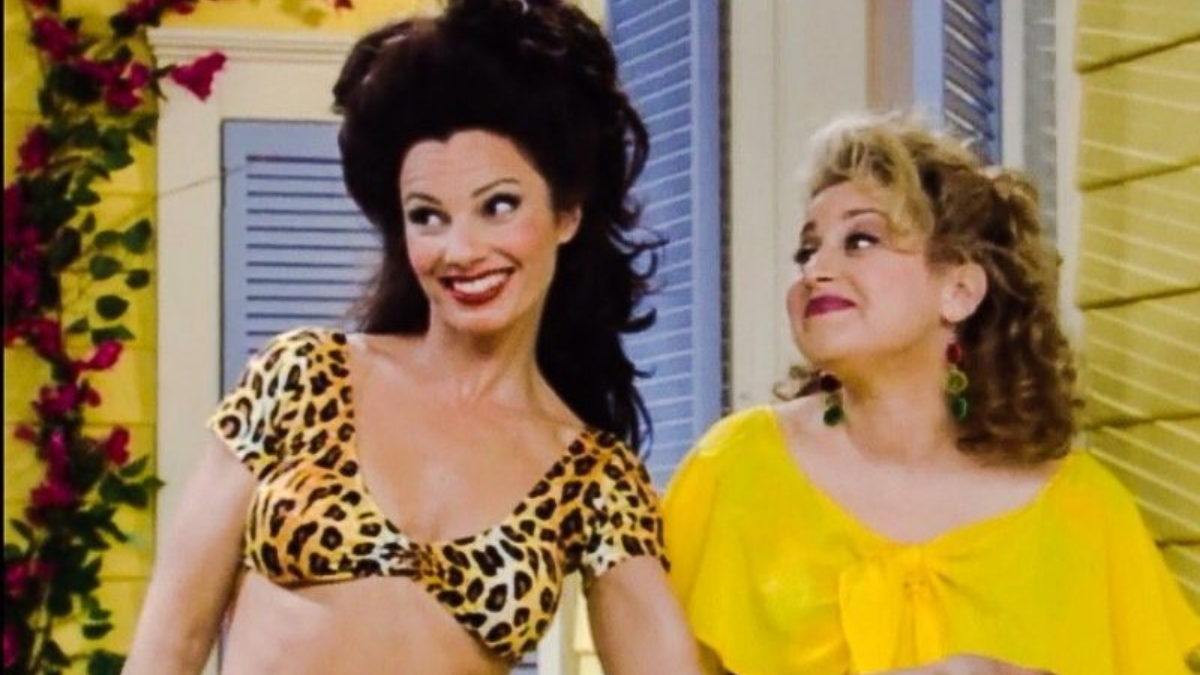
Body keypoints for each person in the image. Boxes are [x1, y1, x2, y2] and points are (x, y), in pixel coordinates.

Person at [122, 1, 702, 673]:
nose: (461, 249)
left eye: (499, 206)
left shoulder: (593, 478)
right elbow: (170, 645)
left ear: (566, 214)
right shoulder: (302, 376)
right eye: (427, 216)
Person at [662, 112, 1200, 675]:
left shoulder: (1086, 512)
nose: (815, 270)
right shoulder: (732, 470)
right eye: (807, 250)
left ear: (960, 290)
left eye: (861, 240)